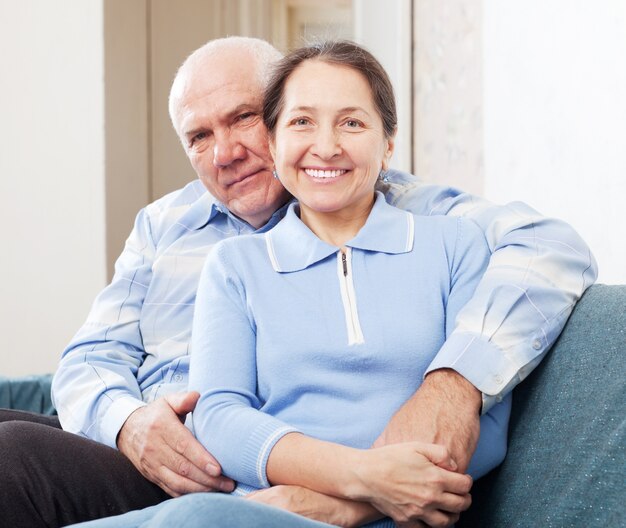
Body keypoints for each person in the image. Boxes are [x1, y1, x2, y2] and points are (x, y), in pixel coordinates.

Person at [0, 36, 596, 528]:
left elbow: (550, 247)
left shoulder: (422, 219)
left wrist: (454, 382)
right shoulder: (168, 226)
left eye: (243, 119)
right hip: (159, 448)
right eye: (200, 136)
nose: (226, 152)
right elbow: (89, 358)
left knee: (12, 459)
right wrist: (126, 422)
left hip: (245, 473)